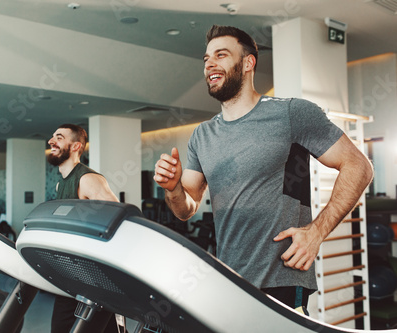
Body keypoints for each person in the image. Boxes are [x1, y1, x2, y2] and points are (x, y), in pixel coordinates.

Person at [154, 25, 374, 311]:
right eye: (206, 59)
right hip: (231, 278)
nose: (209, 64)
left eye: (220, 55)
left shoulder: (290, 114)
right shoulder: (202, 135)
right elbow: (187, 208)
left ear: (248, 63)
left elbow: (359, 166)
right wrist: (173, 189)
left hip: (281, 277)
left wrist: (316, 232)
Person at [47, 123, 119, 332]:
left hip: (90, 279)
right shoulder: (62, 183)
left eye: (59, 137)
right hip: (71, 275)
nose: (51, 141)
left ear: (76, 146)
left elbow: (120, 220)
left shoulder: (88, 179)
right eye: (53, 136)